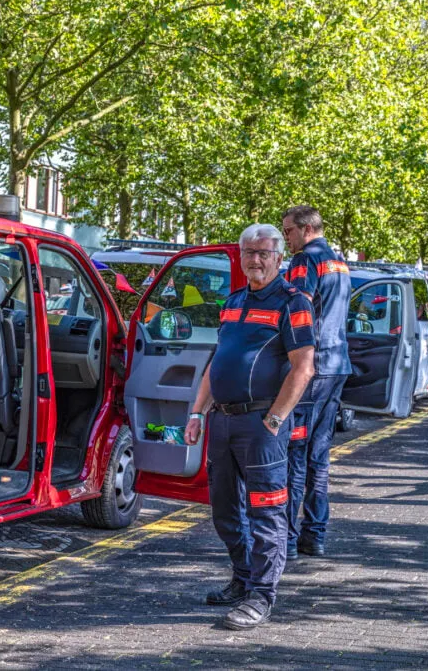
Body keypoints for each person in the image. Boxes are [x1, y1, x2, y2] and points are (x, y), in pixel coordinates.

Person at [183, 224, 315, 631]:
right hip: (222, 420)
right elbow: (217, 361)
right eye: (248, 253)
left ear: (279, 257)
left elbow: (303, 367)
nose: (255, 260)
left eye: (263, 253)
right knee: (224, 510)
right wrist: (197, 412)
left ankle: (262, 594)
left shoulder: (293, 302)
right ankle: (242, 578)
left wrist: (274, 419)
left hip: (261, 425)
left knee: (267, 511)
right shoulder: (234, 300)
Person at [280, 205, 351, 559]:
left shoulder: (304, 262)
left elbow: (298, 309)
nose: (286, 238)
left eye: (288, 231)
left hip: (311, 367)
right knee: (319, 457)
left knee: (295, 453)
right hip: (337, 364)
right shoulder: (339, 261)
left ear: (306, 229)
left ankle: (288, 540)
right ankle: (315, 536)